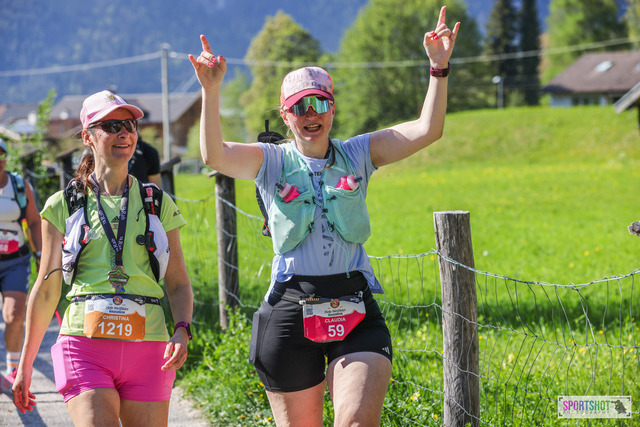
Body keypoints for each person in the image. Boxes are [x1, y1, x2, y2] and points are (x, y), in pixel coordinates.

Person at [189, 6, 459, 425]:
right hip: (289, 309)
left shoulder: (358, 152)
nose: (311, 114)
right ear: (285, 115)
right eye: (300, 107)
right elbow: (215, 155)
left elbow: (427, 130)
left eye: (320, 102)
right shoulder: (270, 160)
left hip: (355, 307)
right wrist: (210, 90)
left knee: (355, 421)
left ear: (333, 108)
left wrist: (438, 69)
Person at [11, 90, 193, 426]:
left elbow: (179, 283)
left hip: (150, 348)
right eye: (111, 126)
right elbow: (46, 290)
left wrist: (182, 329)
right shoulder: (63, 204)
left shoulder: (157, 203)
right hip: (84, 346)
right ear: (88, 137)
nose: (124, 133)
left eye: (129, 125)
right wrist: (24, 365)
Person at [0, 138, 42, 387]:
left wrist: (41, 253)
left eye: (1, 155)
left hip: (15, 260)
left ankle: (12, 370)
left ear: (5, 159)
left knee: (14, 315)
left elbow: (34, 221)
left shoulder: (18, 186)